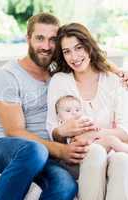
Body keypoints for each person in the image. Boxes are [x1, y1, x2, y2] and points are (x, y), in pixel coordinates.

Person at [0, 13, 93, 200]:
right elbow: (14, 131)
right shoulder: (7, 75)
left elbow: (91, 59)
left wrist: (117, 71)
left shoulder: (58, 72)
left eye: (52, 40)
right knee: (34, 150)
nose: (46, 46)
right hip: (3, 147)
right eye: (40, 38)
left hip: (42, 153)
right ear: (28, 39)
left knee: (65, 184)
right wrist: (60, 150)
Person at [47, 22, 128, 200]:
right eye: (67, 51)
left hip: (113, 151)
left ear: (89, 46)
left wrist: (93, 135)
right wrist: (63, 131)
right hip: (77, 156)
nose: (74, 56)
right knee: (95, 152)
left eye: (78, 47)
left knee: (123, 160)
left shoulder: (113, 80)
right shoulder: (60, 81)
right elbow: (53, 131)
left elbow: (125, 131)